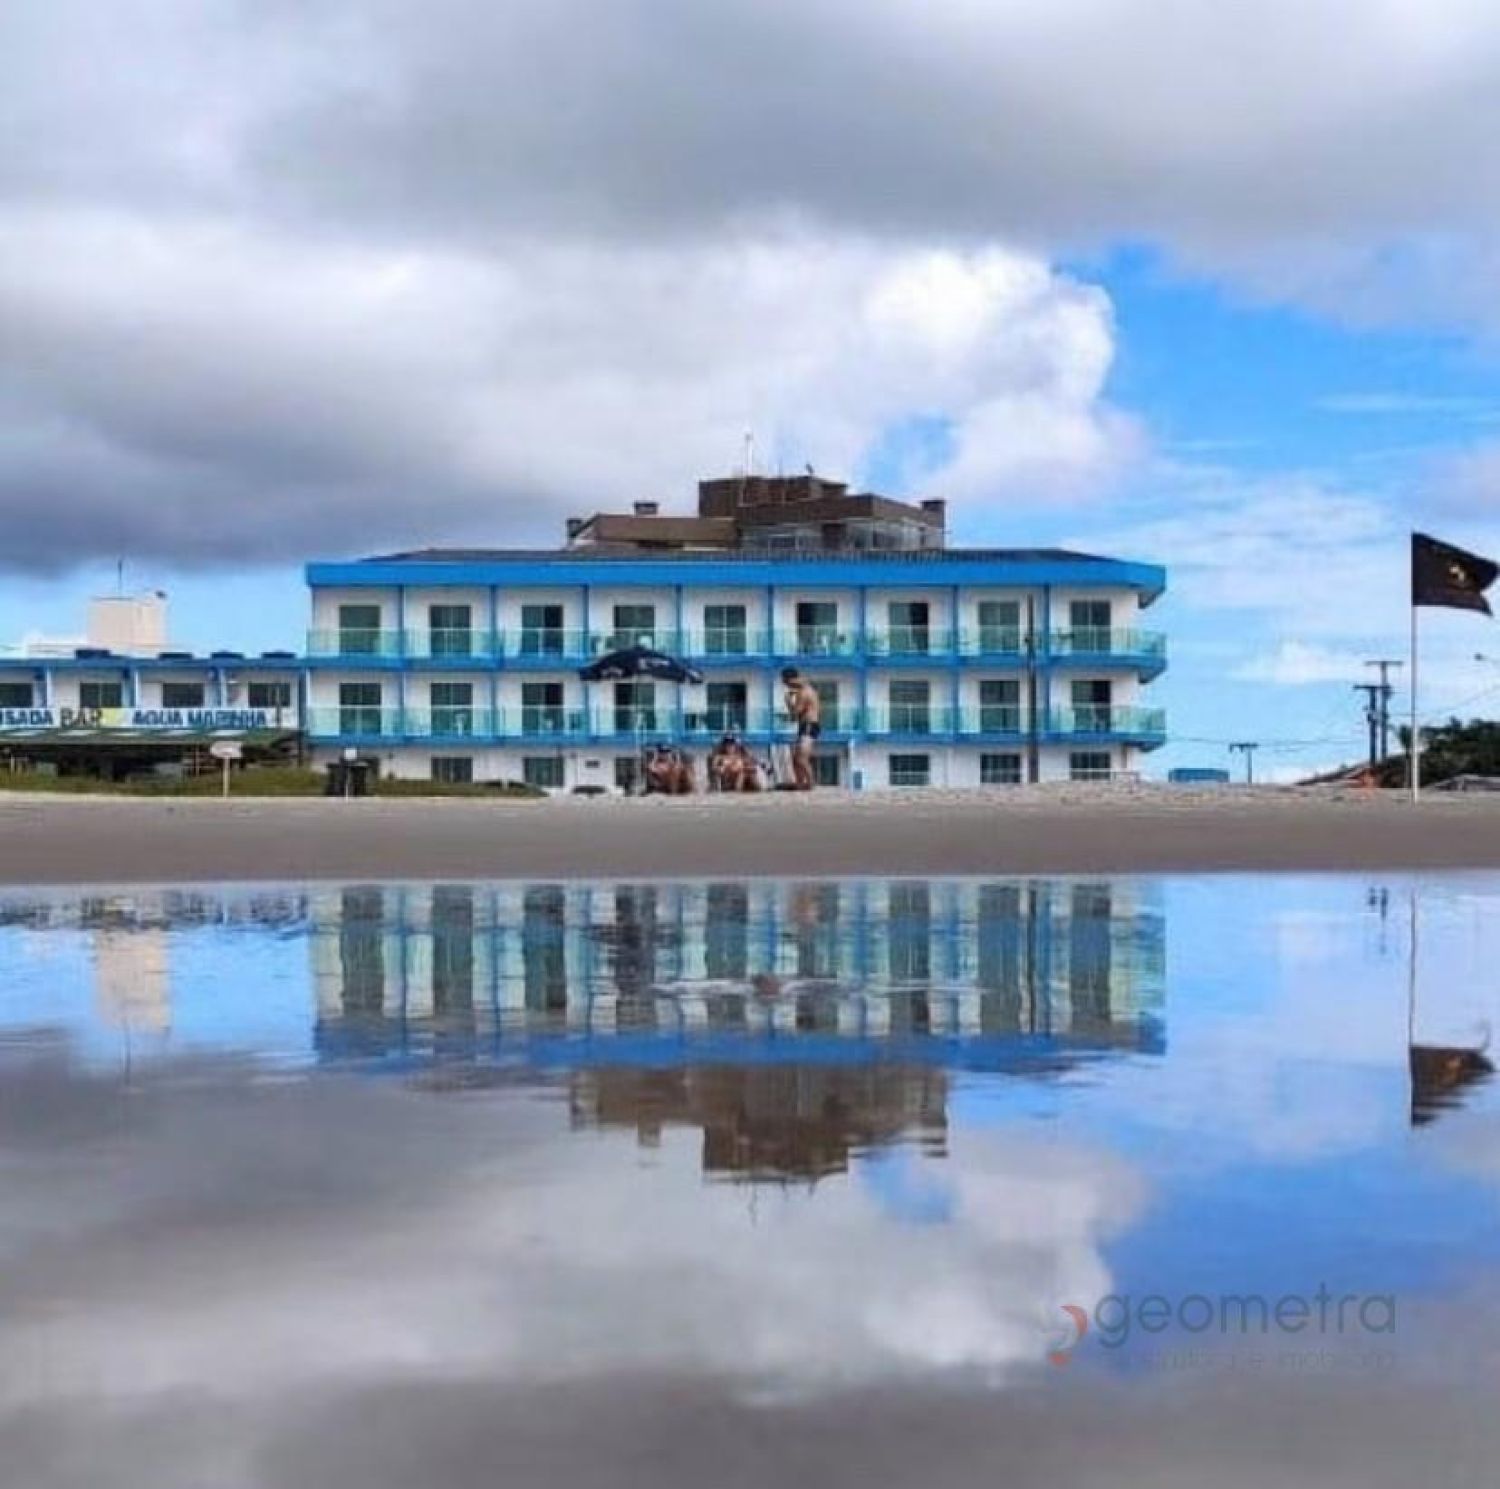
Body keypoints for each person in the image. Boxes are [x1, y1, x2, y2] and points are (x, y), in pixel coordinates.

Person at [781, 667, 821, 791]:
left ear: (790, 679)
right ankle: (799, 784)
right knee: (795, 758)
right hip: (805, 725)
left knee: (801, 758)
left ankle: (810, 783)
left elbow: (795, 713)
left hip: (809, 726)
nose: (786, 686)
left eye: (786, 682)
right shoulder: (805, 689)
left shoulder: (804, 692)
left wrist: (788, 701)